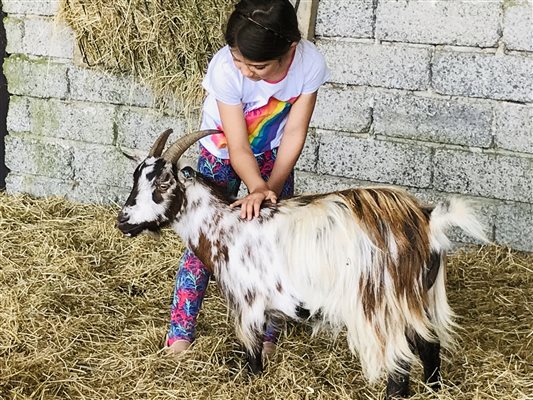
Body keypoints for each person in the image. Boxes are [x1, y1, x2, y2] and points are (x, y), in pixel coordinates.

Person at [165, 0, 330, 356]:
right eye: (239, 59)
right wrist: (255, 186)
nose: (246, 71)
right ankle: (180, 331)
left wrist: (270, 187)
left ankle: (268, 332)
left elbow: (295, 132)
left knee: (275, 241)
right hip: (222, 152)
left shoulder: (309, 63)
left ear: (289, 49)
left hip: (274, 152)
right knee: (207, 243)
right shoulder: (226, 67)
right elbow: (238, 144)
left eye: (256, 65)